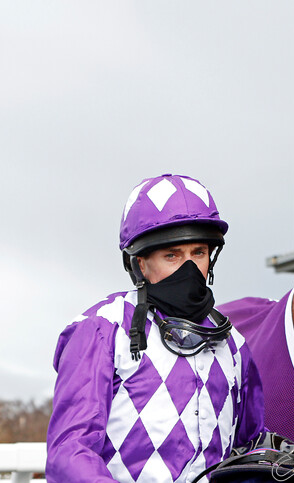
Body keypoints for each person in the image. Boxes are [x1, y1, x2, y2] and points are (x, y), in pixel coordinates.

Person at [47, 174, 265, 483]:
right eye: (172, 255)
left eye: (198, 253)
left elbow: (248, 446)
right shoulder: (101, 331)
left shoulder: (233, 344)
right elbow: (70, 452)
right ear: (140, 264)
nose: (189, 268)